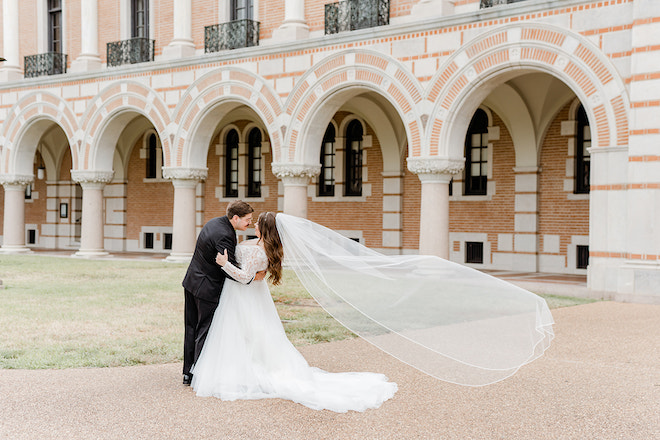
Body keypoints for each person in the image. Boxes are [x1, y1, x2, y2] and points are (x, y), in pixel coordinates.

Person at [190, 212, 398, 413]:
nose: (253, 225)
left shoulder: (258, 251)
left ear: (265, 228)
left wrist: (224, 264)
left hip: (243, 297)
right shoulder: (259, 246)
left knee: (246, 333)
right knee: (249, 334)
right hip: (247, 296)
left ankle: (244, 373)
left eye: (257, 223)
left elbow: (245, 277)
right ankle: (240, 369)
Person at [182, 200, 258, 386]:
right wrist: (250, 276)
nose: (249, 223)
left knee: (192, 328)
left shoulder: (214, 222)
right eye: (247, 219)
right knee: (204, 331)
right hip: (206, 288)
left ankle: (188, 373)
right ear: (235, 218)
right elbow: (228, 267)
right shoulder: (225, 234)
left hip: (192, 282)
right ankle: (200, 375)